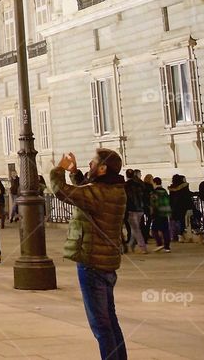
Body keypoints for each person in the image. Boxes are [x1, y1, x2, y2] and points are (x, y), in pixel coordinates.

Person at [49, 149, 127, 360]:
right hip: (106, 263)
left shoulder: (99, 193)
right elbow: (87, 193)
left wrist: (60, 169)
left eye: (93, 163)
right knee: (110, 321)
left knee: (100, 325)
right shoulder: (115, 190)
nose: (90, 165)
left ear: (102, 169)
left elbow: (61, 191)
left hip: (92, 263)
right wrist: (75, 173)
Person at [124, 169, 148, 254]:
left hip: (131, 209)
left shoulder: (125, 185)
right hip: (140, 209)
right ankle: (131, 245)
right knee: (135, 228)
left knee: (136, 229)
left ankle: (143, 247)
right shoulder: (140, 184)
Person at [149, 177, 172, 252]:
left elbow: (153, 204)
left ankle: (159, 243)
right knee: (165, 230)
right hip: (165, 213)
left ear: (155, 183)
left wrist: (152, 213)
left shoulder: (154, 192)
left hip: (158, 213)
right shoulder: (164, 191)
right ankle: (167, 247)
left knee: (154, 230)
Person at [167, 174, 192, 242]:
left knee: (174, 220)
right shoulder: (184, 186)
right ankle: (180, 235)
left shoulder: (171, 188)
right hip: (182, 206)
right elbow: (187, 195)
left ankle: (173, 236)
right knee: (181, 221)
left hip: (173, 206)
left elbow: (171, 198)